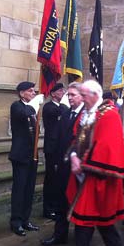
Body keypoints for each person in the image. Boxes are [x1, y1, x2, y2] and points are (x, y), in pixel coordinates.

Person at [59, 80, 124, 246]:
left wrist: (85, 165)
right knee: (99, 214)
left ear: (95, 95)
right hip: (81, 171)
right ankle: (114, 243)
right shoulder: (85, 113)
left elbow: (107, 146)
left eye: (83, 94)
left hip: (97, 173)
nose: (80, 97)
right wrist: (73, 157)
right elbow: (76, 139)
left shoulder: (109, 115)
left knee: (85, 215)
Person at [41, 82, 84, 246]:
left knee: (80, 203)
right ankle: (60, 234)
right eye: (69, 95)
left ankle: (82, 240)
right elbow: (59, 139)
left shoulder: (87, 115)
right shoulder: (66, 114)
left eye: (73, 95)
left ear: (82, 96)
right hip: (64, 165)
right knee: (61, 201)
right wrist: (58, 162)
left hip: (80, 167)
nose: (70, 97)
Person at [8, 81, 43, 236]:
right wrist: (35, 104)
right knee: (19, 189)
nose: (33, 93)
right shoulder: (17, 106)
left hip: (32, 155)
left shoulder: (33, 110)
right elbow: (23, 114)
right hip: (20, 156)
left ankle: (25, 219)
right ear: (22, 93)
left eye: (34, 91)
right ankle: (16, 222)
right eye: (30, 91)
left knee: (29, 189)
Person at [42, 83, 68, 220]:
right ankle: (48, 208)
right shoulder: (49, 107)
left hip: (61, 148)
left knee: (59, 178)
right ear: (52, 93)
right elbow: (58, 113)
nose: (62, 92)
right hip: (52, 148)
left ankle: (57, 205)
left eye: (63, 90)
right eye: (59, 90)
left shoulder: (63, 107)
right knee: (51, 178)